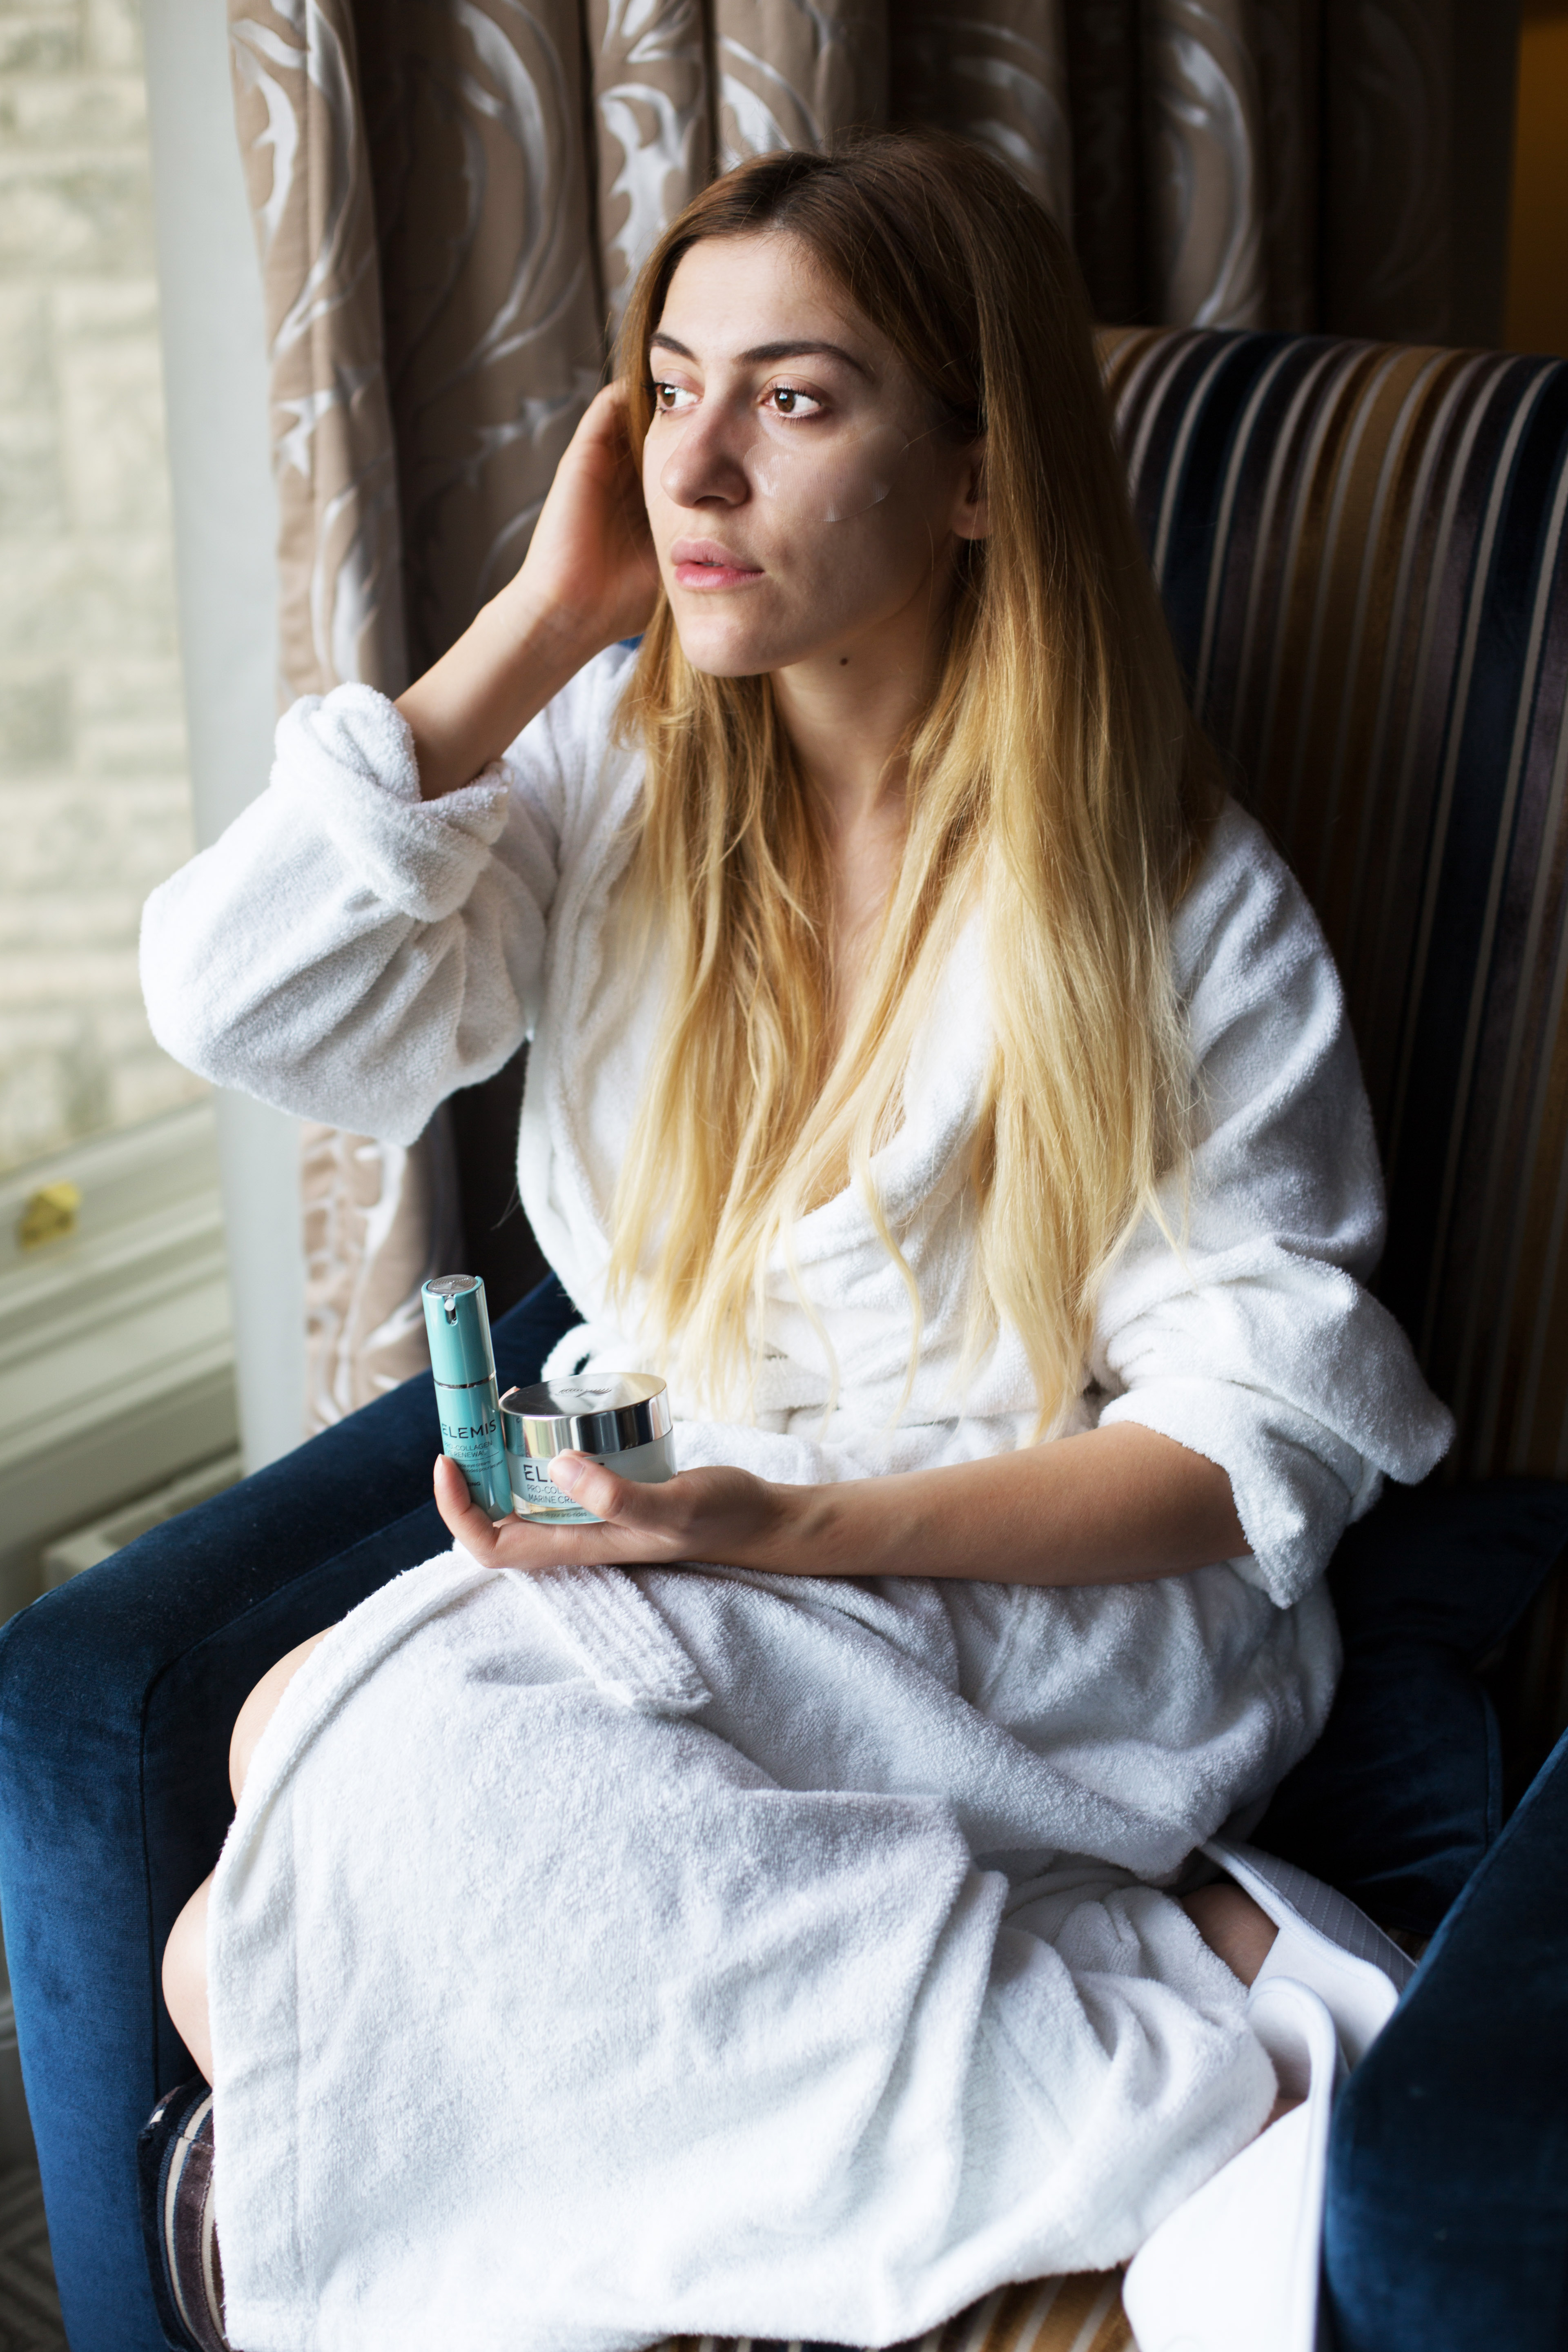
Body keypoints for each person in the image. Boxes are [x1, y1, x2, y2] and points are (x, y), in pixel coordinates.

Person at [140, 131, 1450, 2352]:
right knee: (271, 1814)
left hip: (1031, 1593)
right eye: (671, 387)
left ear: (974, 473)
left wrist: (790, 1527)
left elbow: (1253, 1445)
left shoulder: (1168, 907)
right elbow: (237, 1001)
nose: (700, 463)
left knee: (270, 1892)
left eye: (798, 398)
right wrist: (545, 622)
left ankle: (1132, 2083)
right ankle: (1137, 2014)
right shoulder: (614, 773)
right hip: (694, 1516)